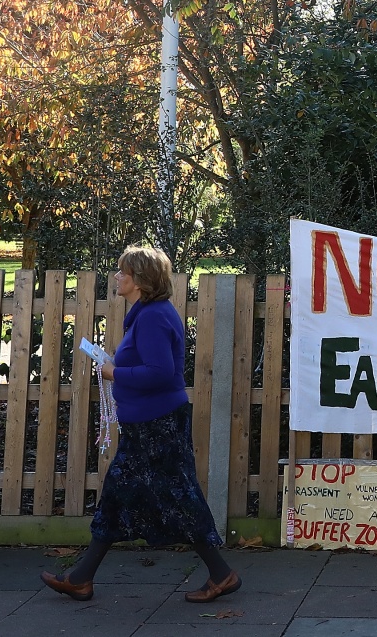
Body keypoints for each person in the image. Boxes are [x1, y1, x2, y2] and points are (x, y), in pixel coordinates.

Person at [39, 245, 239, 603]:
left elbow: (160, 373)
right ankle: (82, 578)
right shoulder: (147, 313)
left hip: (158, 427)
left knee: (180, 496)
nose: (117, 276)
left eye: (123, 272)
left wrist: (114, 372)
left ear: (141, 280)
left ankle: (222, 574)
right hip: (145, 426)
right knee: (119, 495)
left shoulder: (153, 317)